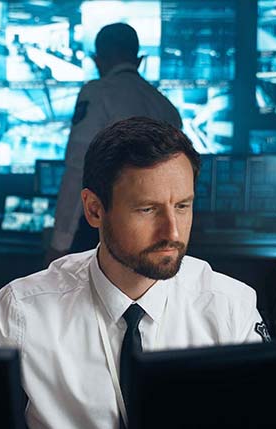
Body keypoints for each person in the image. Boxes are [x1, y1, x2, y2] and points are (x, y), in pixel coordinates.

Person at [0, 118, 270, 429]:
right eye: (147, 209)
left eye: (182, 206)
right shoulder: (24, 310)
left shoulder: (229, 306)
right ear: (94, 209)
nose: (172, 231)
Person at [47, 23, 182, 264]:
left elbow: (78, 167)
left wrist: (60, 242)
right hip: (157, 229)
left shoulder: (97, 94)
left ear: (97, 60)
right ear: (139, 60)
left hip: (105, 230)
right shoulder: (165, 106)